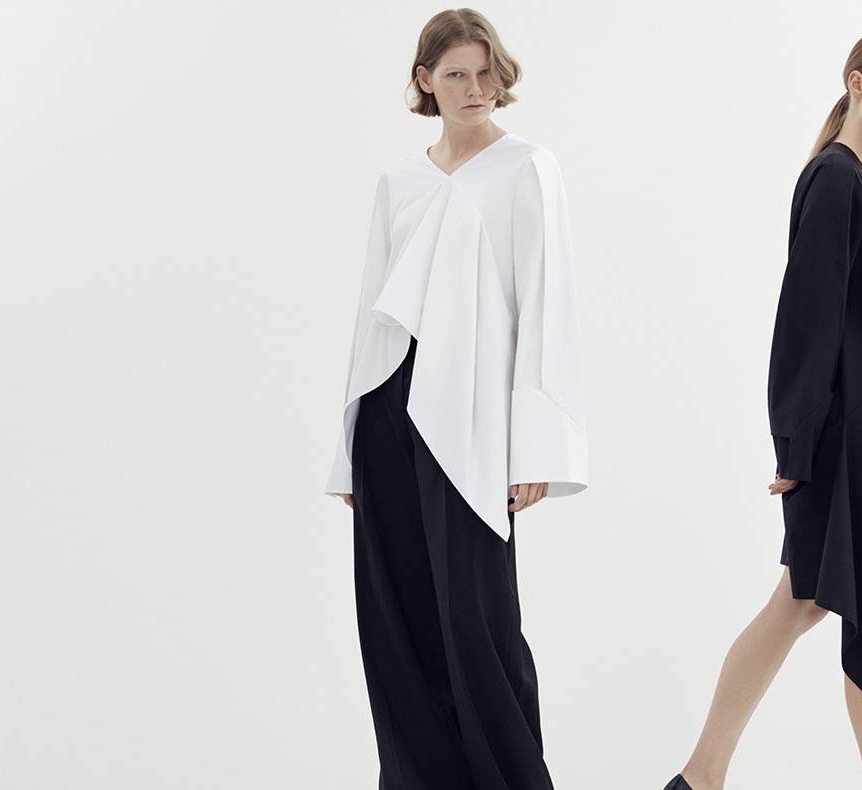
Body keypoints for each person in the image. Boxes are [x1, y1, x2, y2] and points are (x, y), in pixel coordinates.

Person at [663, 30, 862, 790]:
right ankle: (702, 776)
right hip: (854, 445)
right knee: (848, 614)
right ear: (856, 83)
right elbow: (807, 322)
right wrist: (795, 447)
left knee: (807, 607)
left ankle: (700, 778)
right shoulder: (835, 179)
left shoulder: (850, 179)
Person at [324, 8, 589, 789]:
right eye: (456, 76)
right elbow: (372, 314)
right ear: (425, 82)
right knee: (398, 615)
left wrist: (537, 443)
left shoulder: (528, 168)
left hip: (476, 421)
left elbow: (547, 304)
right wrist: (348, 452)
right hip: (388, 409)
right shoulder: (399, 182)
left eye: (486, 74)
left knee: (478, 620)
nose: (475, 90)